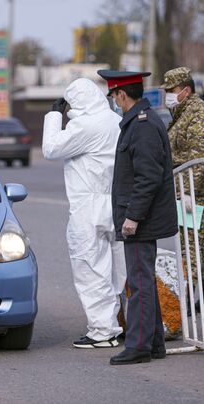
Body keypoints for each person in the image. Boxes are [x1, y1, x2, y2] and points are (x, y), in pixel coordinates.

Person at [98, 70, 178, 365]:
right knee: (142, 279)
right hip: (144, 217)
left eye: (115, 96)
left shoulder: (142, 126)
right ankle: (154, 343)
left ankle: (139, 346)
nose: (115, 102)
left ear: (121, 94)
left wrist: (132, 217)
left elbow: (148, 177)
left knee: (139, 282)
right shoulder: (139, 121)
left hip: (142, 220)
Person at [42, 78, 127, 349]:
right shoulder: (115, 120)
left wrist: (55, 115)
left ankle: (102, 332)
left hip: (88, 207)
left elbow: (51, 148)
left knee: (90, 268)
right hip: (113, 202)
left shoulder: (85, 125)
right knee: (116, 271)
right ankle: (116, 323)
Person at [161, 67, 204, 288]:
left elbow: (198, 158)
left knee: (193, 245)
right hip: (184, 191)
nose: (168, 94)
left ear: (186, 91)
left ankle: (191, 295)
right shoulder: (182, 114)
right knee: (189, 244)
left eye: (172, 89)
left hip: (194, 196)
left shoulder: (196, 114)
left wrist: (189, 193)